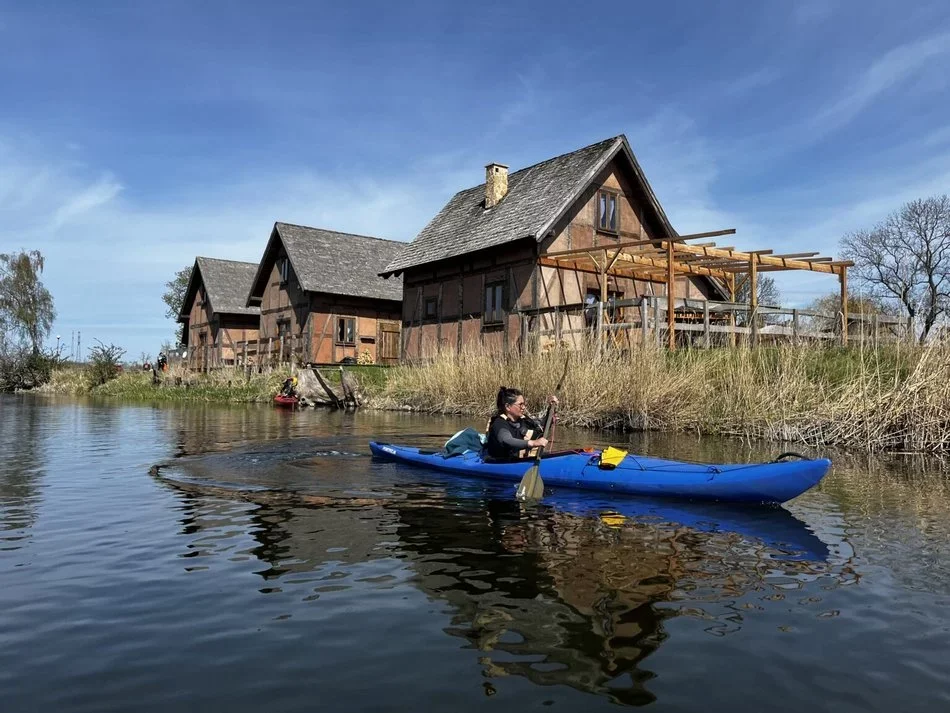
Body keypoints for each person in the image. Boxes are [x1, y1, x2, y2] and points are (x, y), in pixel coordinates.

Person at [485, 387, 558, 461]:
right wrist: (533, 443)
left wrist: (551, 409)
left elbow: (541, 428)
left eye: (524, 404)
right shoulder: (499, 423)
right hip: (501, 462)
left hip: (521, 460)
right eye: (520, 404)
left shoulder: (523, 419)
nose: (524, 407)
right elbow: (506, 440)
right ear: (508, 407)